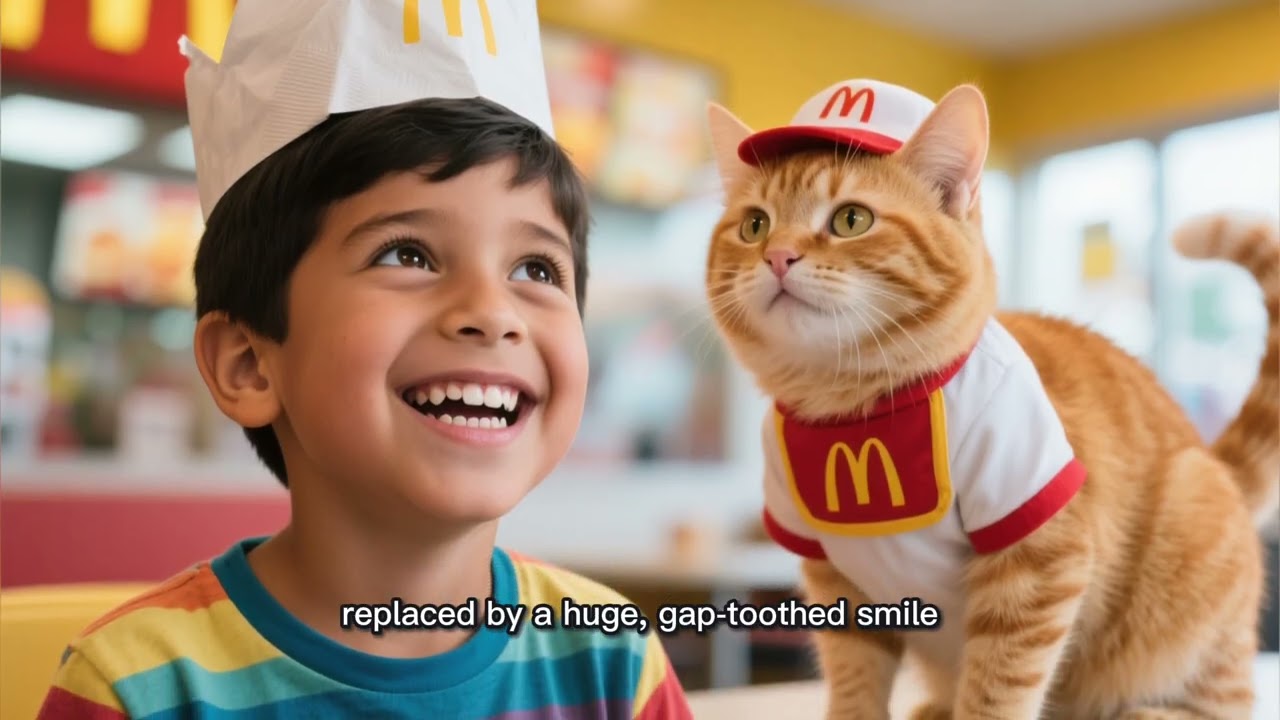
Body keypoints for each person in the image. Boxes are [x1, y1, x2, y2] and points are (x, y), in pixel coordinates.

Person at [35, 1, 692, 717]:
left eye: (536, 268)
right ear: (250, 365)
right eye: (406, 253)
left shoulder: (609, 659)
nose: (494, 313)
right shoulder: (138, 688)